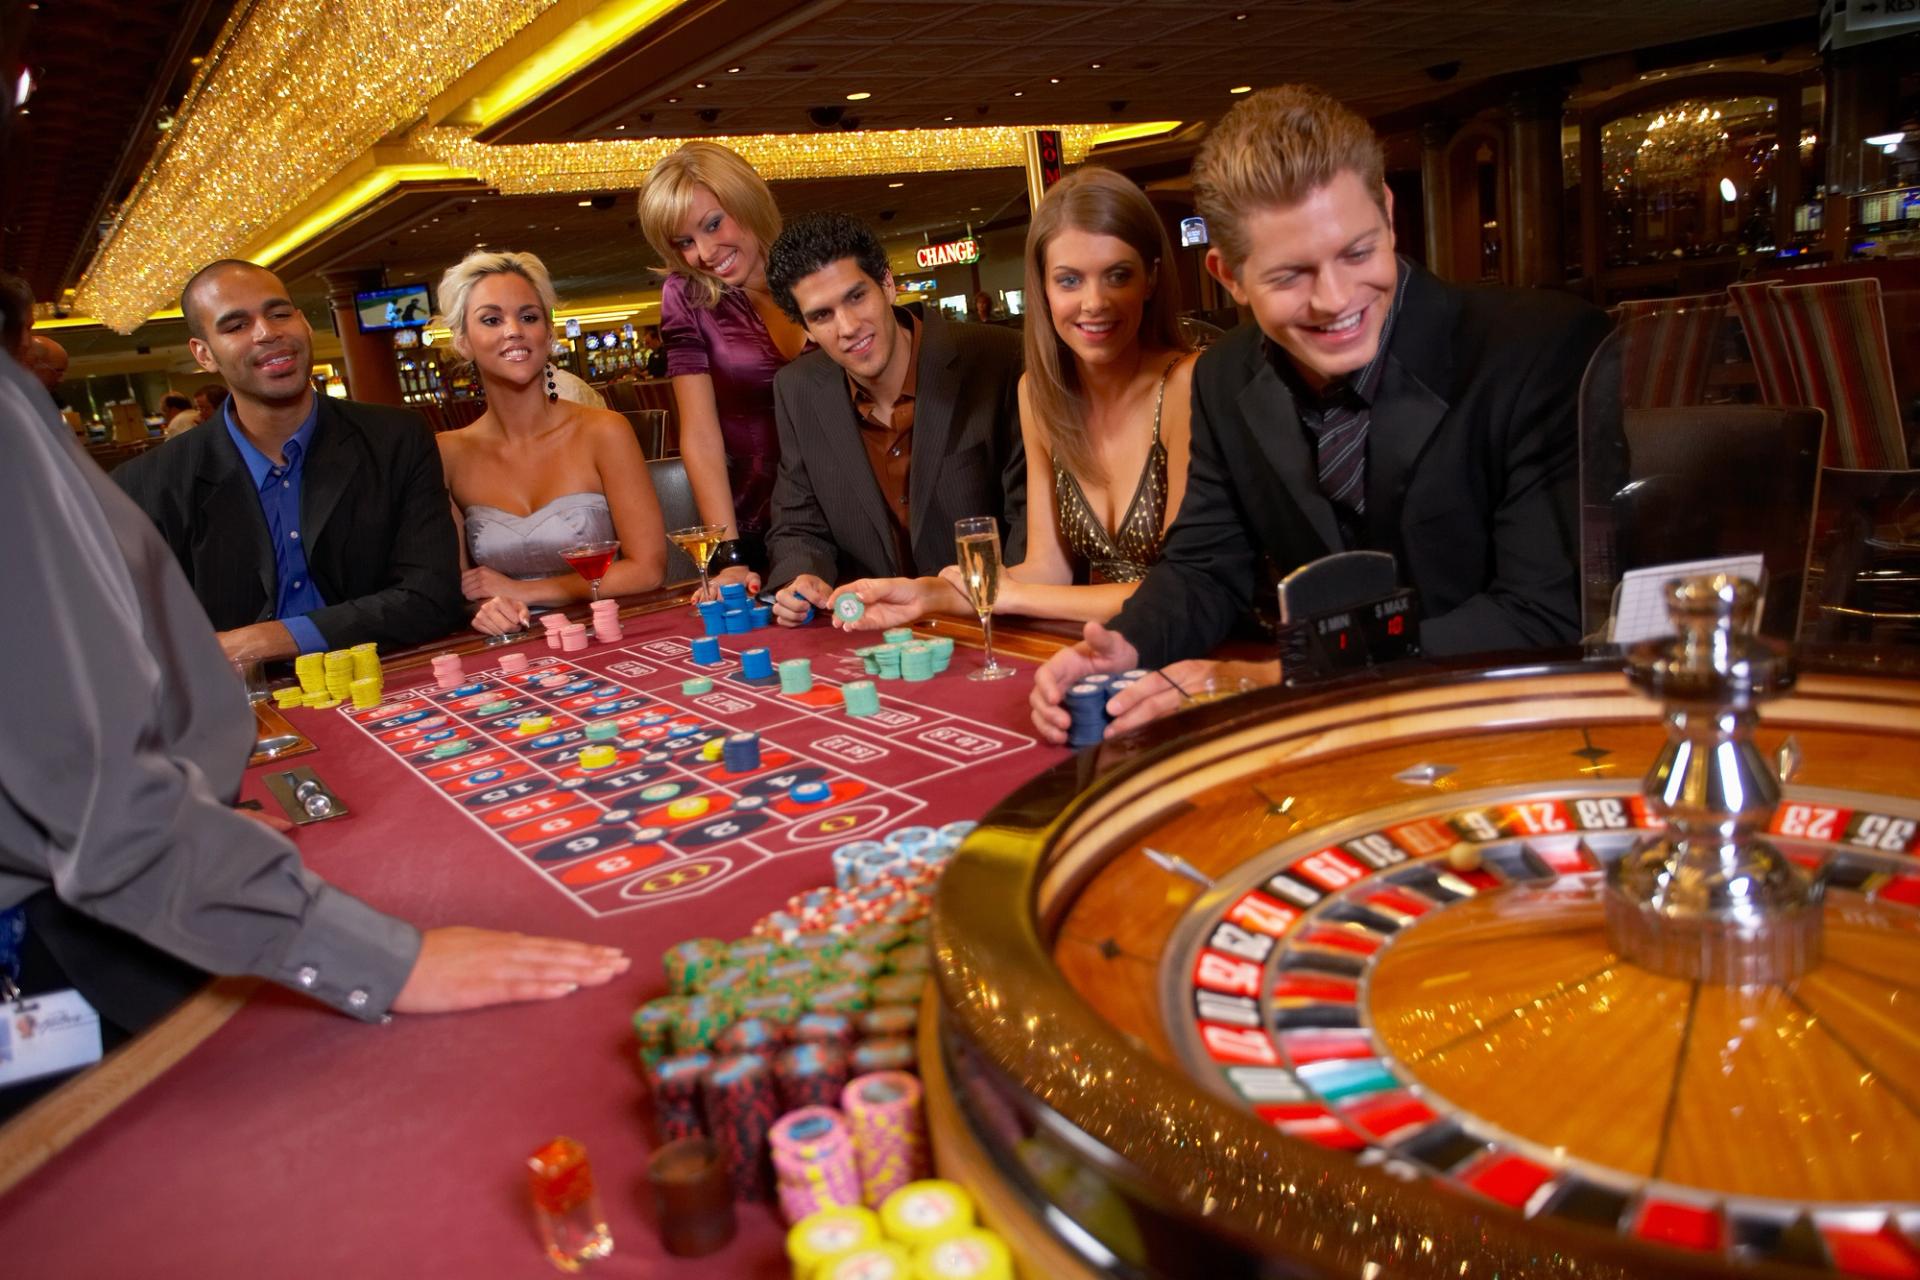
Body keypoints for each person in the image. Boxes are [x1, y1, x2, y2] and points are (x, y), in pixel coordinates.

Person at [0, 347, 629, 1117]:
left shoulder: (387, 440)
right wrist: (384, 961)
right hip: (46, 942)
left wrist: (193, 808)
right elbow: (88, 779)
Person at [1030, 85, 1611, 745]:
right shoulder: (1222, 377)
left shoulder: (1541, 352)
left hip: (1512, 729)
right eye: (1291, 277)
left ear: (1388, 214)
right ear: (1229, 277)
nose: (1336, 300)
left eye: (1358, 253)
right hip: (1333, 742)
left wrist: (1290, 676)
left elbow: (1543, 617)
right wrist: (1125, 648)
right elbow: (1204, 567)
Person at [836, 169, 1198, 634]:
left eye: (1117, 276)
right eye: (1069, 281)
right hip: (1118, 646)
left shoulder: (1188, 384)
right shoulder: (1040, 394)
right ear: (1043, 290)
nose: (1094, 302)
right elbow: (1049, 568)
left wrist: (1008, 595)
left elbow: (1183, 588)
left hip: (1218, 647)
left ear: (1150, 279)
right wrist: (929, 593)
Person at [114, 260, 467, 662]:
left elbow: (432, 597)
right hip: (241, 708)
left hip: (383, 678)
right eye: (236, 326)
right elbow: (134, 637)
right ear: (204, 354)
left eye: (279, 314)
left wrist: (264, 640)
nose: (267, 333)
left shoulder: (394, 438)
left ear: (302, 322)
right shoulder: (147, 484)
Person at [711, 213, 1025, 624]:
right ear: (806, 328)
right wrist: (801, 576)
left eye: (856, 297)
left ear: (888, 285)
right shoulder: (798, 388)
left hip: (995, 619)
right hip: (870, 631)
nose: (847, 327)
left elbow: (1030, 525)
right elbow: (797, 526)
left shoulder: (999, 360)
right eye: (821, 316)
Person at [431, 250, 667, 636]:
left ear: (549, 334)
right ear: (463, 342)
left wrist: (524, 590)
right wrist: (485, 608)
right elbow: (462, 587)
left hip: (609, 633)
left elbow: (647, 570)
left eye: (528, 317)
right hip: (511, 647)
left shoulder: (605, 431)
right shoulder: (446, 453)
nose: (514, 330)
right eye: (491, 320)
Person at [638, 141, 809, 573]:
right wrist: (729, 553)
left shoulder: (812, 267)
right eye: (685, 241)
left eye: (714, 224)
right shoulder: (687, 296)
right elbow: (699, 434)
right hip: (752, 523)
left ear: (746, 200)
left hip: (843, 513)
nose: (705, 253)